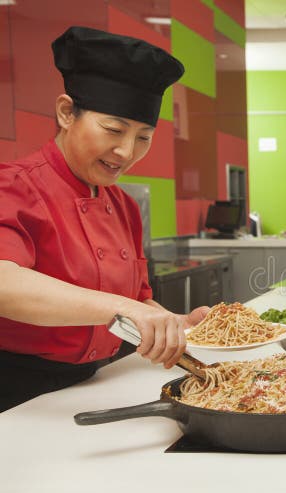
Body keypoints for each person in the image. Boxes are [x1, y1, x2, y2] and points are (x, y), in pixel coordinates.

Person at [0, 26, 209, 412]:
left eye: (144, 137)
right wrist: (124, 307)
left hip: (99, 379)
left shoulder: (124, 206)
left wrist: (175, 324)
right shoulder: (14, 186)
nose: (126, 151)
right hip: (18, 393)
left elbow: (137, 299)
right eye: (113, 129)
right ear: (66, 113)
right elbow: (4, 283)